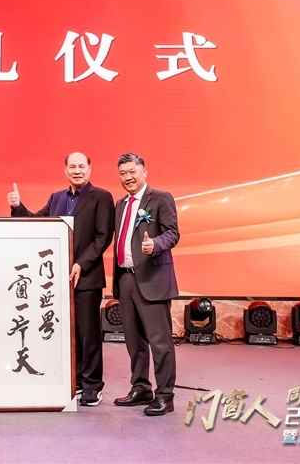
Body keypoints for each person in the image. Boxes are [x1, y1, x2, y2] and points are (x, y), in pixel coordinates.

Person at [7, 152, 115, 406]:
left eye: (81, 166)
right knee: (66, 332)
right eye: (72, 167)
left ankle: (92, 385)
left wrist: (81, 263)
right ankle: (73, 381)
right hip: (57, 279)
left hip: (86, 278)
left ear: (89, 169)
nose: (77, 171)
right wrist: (17, 207)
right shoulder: (57, 198)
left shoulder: (102, 197)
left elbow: (103, 237)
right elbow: (37, 223)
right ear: (66, 170)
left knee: (88, 333)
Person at [110, 152, 180, 416]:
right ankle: (140, 388)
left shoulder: (160, 198)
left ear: (144, 172)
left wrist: (156, 244)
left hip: (152, 279)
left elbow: (172, 233)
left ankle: (165, 395)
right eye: (123, 173)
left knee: (160, 342)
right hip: (126, 278)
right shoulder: (120, 204)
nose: (128, 177)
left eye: (132, 172)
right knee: (134, 341)